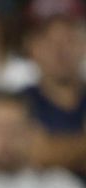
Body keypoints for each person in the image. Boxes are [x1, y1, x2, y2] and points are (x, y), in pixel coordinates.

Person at [22, 0, 86, 177]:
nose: (60, 51)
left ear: (83, 45)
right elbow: (39, 155)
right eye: (48, 41)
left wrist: (59, 148)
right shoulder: (20, 103)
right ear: (31, 47)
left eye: (69, 39)